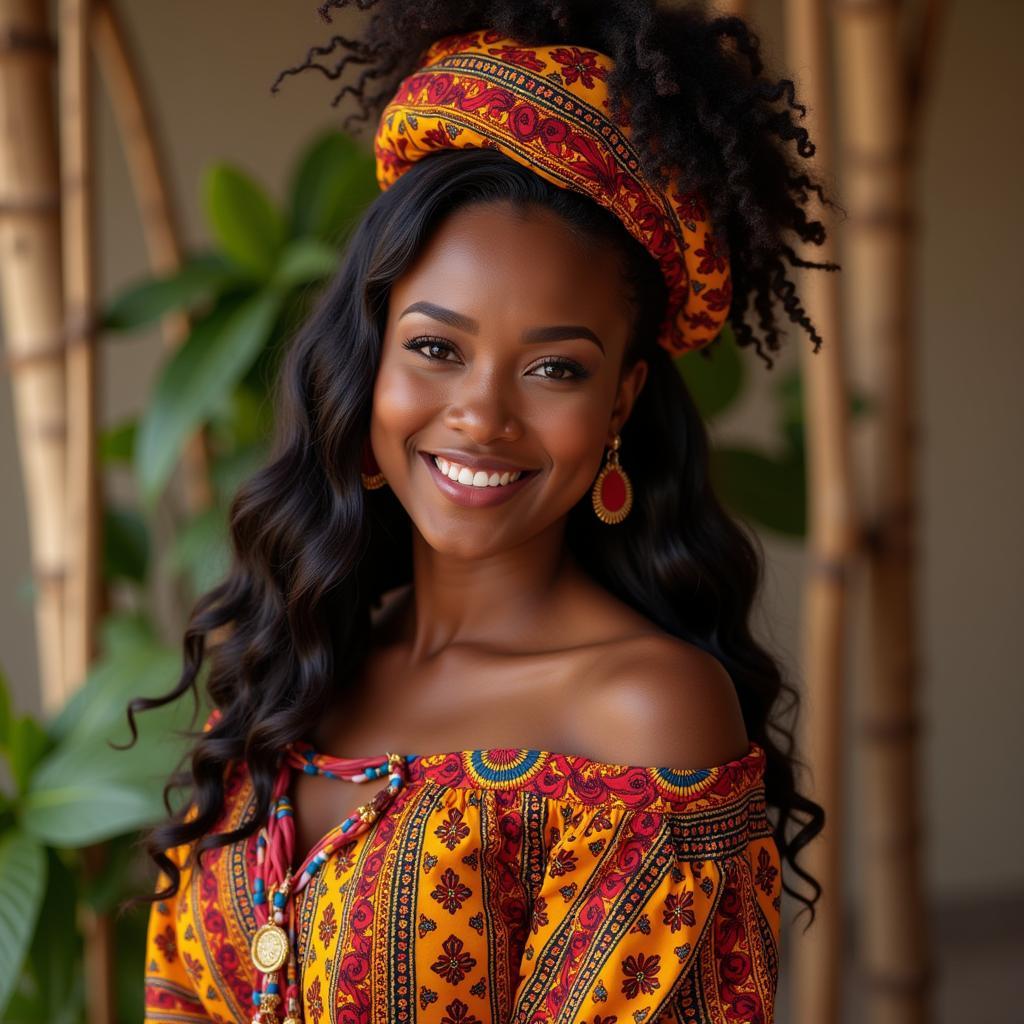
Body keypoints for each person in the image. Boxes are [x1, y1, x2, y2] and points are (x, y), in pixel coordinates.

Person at [135, 3, 831, 1022]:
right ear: (366, 359)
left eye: (554, 366)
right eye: (434, 346)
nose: (481, 416)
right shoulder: (282, 668)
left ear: (620, 403)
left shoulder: (644, 718)